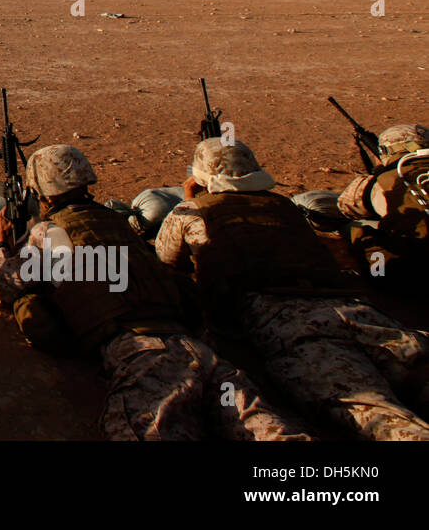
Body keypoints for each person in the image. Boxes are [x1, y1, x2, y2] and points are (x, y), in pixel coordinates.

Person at [0, 144, 307, 441]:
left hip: (148, 355)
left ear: (41, 192)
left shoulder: (49, 233)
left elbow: (1, 288)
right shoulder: (117, 221)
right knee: (270, 430)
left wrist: (3, 245)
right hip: (201, 350)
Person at [156, 138, 429, 440]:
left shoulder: (192, 210)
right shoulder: (285, 206)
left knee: (374, 413)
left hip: (293, 326)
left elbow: (168, 257)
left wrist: (189, 198)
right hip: (354, 309)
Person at [336, 123, 429, 296]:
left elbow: (345, 207)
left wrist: (377, 172)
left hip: (417, 274)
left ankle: (379, 279)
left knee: (353, 227)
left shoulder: (388, 179)